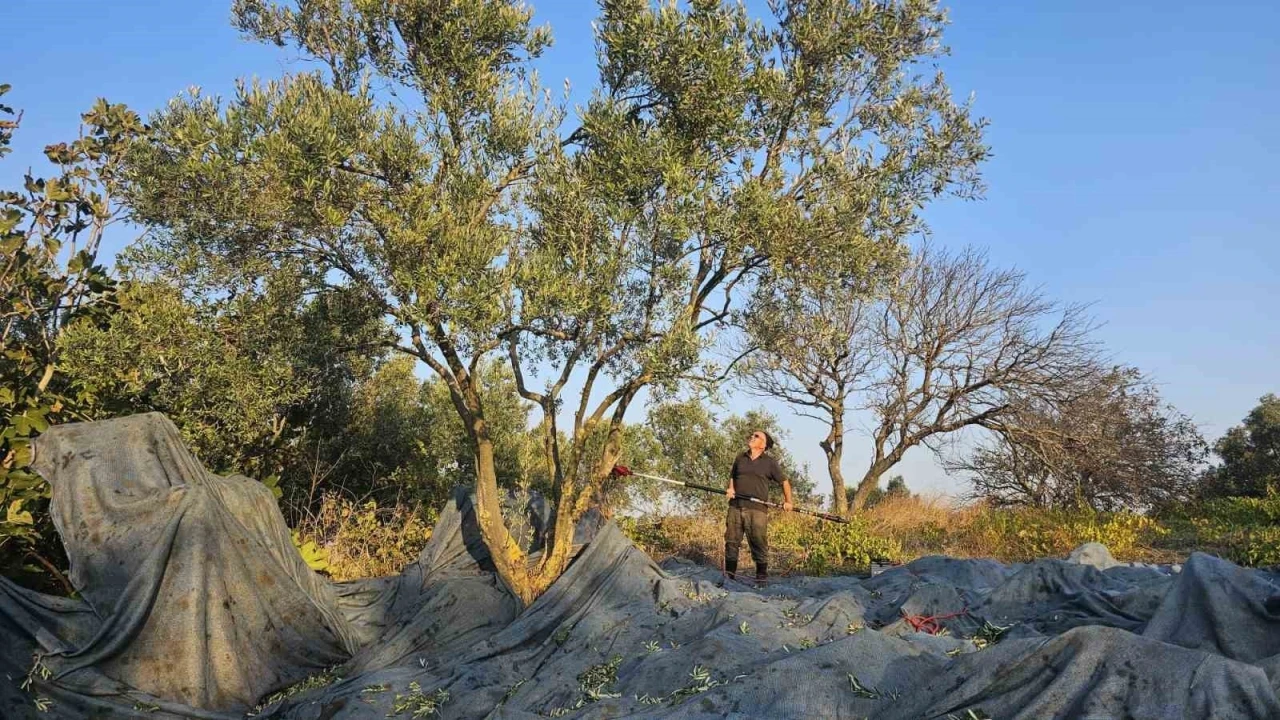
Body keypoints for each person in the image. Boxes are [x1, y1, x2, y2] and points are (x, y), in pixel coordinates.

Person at [724, 429, 793, 587]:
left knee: (758, 543)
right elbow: (733, 476)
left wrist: (788, 501)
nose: (752, 437)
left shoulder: (769, 462)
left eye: (757, 436)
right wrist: (731, 489)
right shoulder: (740, 458)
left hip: (757, 509)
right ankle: (729, 577)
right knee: (731, 542)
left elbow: (784, 482)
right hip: (735, 506)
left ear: (763, 444)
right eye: (752, 435)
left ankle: (761, 579)